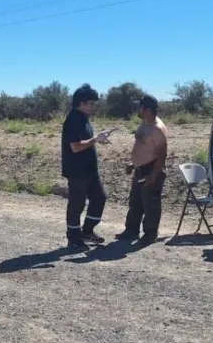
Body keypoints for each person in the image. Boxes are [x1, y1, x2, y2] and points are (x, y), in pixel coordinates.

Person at [61, 83, 111, 249]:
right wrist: (96, 139)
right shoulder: (73, 120)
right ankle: (73, 238)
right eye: (92, 103)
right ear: (82, 103)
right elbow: (75, 146)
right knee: (77, 204)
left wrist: (97, 140)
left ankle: (87, 231)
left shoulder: (83, 119)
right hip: (77, 170)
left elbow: (85, 142)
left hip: (90, 169)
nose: (94, 107)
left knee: (99, 197)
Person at [117, 95, 169, 243]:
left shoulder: (157, 129)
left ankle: (150, 234)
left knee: (150, 204)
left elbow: (162, 155)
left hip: (151, 169)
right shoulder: (144, 123)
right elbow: (143, 146)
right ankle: (131, 231)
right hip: (140, 168)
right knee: (135, 201)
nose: (137, 110)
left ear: (147, 109)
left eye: (140, 107)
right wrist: (133, 163)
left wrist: (153, 175)